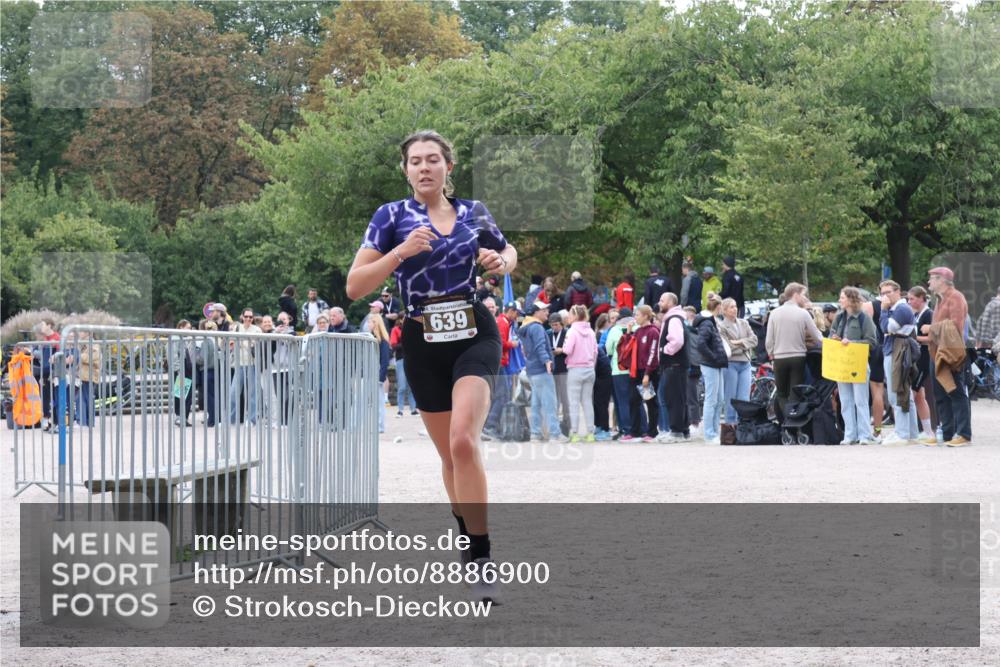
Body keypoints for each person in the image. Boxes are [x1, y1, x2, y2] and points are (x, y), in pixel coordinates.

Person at [346, 130, 517, 601]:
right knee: (449, 456)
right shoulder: (390, 217)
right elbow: (354, 287)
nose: (424, 167)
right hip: (422, 338)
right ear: (406, 170)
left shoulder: (474, 212)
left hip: (473, 330)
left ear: (448, 166)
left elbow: (509, 252)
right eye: (415, 161)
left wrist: (498, 261)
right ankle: (467, 538)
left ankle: (481, 556)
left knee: (465, 439)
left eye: (433, 160)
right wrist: (400, 253)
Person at [921, 266, 972, 446]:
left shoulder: (956, 297)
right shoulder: (939, 299)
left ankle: (963, 434)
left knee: (956, 393)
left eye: (932, 278)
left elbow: (955, 327)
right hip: (936, 353)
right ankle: (948, 433)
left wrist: (931, 328)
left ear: (942, 280)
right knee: (940, 394)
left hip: (950, 354)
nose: (929, 282)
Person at [765, 283, 823, 420]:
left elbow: (769, 340)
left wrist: (771, 354)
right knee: (795, 391)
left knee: (782, 393)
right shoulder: (803, 313)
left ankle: (786, 419)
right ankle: (795, 418)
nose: (804, 298)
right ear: (795, 295)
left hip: (779, 358)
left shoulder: (774, 313)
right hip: (798, 357)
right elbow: (817, 336)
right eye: (803, 295)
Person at [830, 287, 879, 445]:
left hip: (858, 362)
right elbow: (832, 334)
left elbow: (872, 341)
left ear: (851, 300)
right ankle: (850, 434)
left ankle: (864, 434)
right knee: (845, 400)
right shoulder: (839, 318)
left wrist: (852, 343)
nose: (840, 300)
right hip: (842, 363)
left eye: (842, 297)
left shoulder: (864, 318)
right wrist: (835, 338)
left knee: (861, 400)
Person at [878, 280, 919, 445]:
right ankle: (912, 433)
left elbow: (887, 328)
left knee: (897, 393)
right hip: (894, 350)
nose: (885, 296)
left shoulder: (901, 309)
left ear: (898, 291)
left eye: (888, 292)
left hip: (897, 352)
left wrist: (883, 311)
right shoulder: (896, 309)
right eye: (882, 293)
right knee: (904, 394)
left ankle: (901, 433)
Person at [718, 297, 758, 435]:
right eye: (731, 307)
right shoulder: (721, 326)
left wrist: (739, 342)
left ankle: (744, 423)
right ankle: (730, 423)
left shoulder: (744, 323)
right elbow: (727, 347)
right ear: (724, 310)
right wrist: (744, 345)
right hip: (731, 363)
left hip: (745, 363)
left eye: (735, 306)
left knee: (744, 396)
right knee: (731, 395)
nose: (735, 309)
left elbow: (754, 340)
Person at [693, 295, 729, 444]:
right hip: (710, 364)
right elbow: (701, 344)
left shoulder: (711, 322)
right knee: (711, 399)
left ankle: (714, 432)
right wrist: (713, 357)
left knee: (719, 399)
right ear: (718, 307)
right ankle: (709, 434)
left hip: (716, 364)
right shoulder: (707, 323)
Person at [483, 301, 521, 439]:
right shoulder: (502, 323)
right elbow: (500, 343)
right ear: (510, 310)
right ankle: (490, 426)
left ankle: (491, 425)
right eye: (516, 313)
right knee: (502, 395)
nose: (517, 316)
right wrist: (513, 344)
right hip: (499, 363)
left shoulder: (503, 322)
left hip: (499, 363)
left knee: (500, 395)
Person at [623, 305, 660, 442]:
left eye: (637, 315)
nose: (635, 317)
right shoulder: (637, 331)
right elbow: (629, 348)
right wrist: (628, 333)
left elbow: (653, 353)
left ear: (645, 316)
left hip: (647, 372)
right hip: (635, 371)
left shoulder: (653, 332)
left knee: (650, 401)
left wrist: (647, 374)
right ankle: (635, 431)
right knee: (633, 400)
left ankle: (652, 432)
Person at [657, 293, 691, 442]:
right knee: (680, 398)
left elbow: (677, 341)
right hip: (677, 365)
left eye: (662, 300)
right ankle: (683, 430)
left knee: (674, 399)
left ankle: (676, 432)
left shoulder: (673, 319)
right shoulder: (675, 318)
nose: (659, 303)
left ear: (670, 303)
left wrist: (663, 350)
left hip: (673, 364)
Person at [562, 304, 598, 442]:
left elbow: (568, 350)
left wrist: (562, 348)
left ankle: (575, 432)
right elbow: (595, 352)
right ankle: (590, 433)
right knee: (587, 402)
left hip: (575, 369)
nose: (568, 317)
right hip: (589, 369)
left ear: (575, 316)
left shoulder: (572, 332)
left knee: (574, 403)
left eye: (570, 314)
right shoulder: (591, 332)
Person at [908, 286, 937, 443]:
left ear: (921, 298)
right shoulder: (916, 314)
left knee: (912, 394)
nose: (909, 301)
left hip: (924, 359)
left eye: (912, 299)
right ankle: (928, 431)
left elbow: (933, 338)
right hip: (916, 358)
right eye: (908, 299)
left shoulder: (928, 314)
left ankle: (908, 431)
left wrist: (913, 338)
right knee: (920, 396)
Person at [605, 306, 636, 439]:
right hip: (634, 369)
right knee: (636, 401)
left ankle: (626, 429)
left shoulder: (615, 330)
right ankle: (639, 428)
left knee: (622, 401)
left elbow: (609, 349)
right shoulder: (637, 328)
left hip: (619, 370)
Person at [363, 314, 393, 434]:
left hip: (377, 373)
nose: (368, 325)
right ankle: (376, 424)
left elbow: (385, 360)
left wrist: (381, 377)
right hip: (370, 372)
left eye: (370, 322)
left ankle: (380, 425)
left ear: (375, 324)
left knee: (379, 401)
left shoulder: (383, 341)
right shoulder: (372, 338)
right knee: (373, 401)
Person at [31, 319, 60, 431]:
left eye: (43, 324)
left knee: (54, 397)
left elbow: (60, 354)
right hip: (44, 373)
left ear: (49, 325)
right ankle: (47, 420)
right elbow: (41, 355)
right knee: (46, 397)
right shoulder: (44, 339)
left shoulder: (57, 338)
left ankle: (56, 422)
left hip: (53, 373)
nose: (41, 327)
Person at [390, 314, 418, 417]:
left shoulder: (412, 328)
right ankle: (400, 410)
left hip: (412, 359)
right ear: (400, 319)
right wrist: (408, 343)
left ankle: (413, 409)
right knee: (402, 386)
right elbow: (393, 344)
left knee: (411, 386)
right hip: (401, 359)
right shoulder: (395, 330)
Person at [592, 312, 614, 440]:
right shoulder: (595, 338)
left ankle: (605, 429)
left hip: (603, 374)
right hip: (599, 373)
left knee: (602, 403)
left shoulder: (595, 340)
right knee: (597, 402)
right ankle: (599, 426)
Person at [171, 319, 197, 427]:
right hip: (182, 369)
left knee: (187, 394)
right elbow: (173, 355)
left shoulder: (185, 338)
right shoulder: (176, 338)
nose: (189, 329)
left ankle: (183, 417)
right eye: (188, 327)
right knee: (180, 394)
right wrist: (178, 370)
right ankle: (179, 417)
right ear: (181, 327)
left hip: (186, 368)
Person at [549, 313, 570, 435]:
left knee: (565, 399)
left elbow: (570, 349)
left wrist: (562, 350)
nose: (554, 327)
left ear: (561, 324)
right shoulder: (548, 334)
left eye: (556, 325)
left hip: (564, 369)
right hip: (552, 370)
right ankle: (555, 425)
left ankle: (568, 424)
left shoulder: (567, 333)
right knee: (554, 399)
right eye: (552, 325)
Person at [683, 306, 702, 436]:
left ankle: (694, 421)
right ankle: (691, 420)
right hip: (692, 365)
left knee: (691, 395)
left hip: (692, 366)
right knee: (689, 395)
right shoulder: (695, 331)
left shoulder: (692, 331)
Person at [198, 319, 221, 427]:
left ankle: (212, 419)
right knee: (216, 395)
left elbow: (203, 358)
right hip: (217, 370)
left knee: (209, 396)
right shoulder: (219, 340)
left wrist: (195, 358)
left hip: (206, 371)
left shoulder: (206, 341)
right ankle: (217, 418)